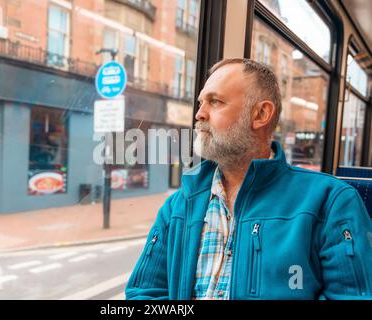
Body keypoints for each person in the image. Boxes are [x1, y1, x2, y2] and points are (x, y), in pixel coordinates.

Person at [125, 58, 372, 300]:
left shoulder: (331, 202)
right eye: (200, 103)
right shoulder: (178, 206)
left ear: (261, 114)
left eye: (215, 102)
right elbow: (143, 293)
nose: (199, 114)